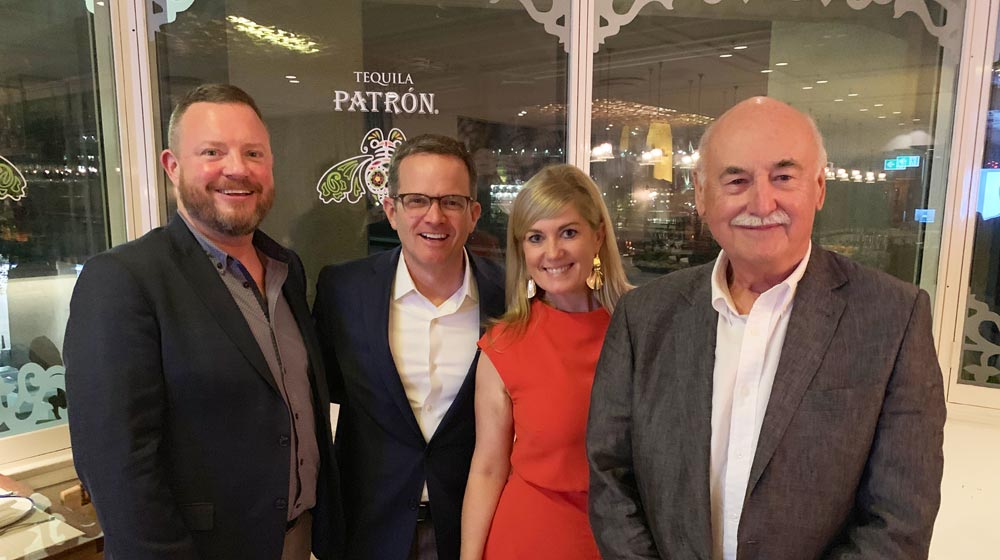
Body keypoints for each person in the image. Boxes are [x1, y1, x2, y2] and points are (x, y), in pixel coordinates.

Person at [587, 96, 946, 560]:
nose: (762, 203)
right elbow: (611, 476)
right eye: (736, 180)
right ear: (701, 194)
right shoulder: (644, 315)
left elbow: (900, 521)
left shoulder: (893, 318)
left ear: (819, 187)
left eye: (783, 177)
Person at [64, 84, 343, 560]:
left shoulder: (287, 269)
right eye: (212, 152)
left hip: (299, 539)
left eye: (253, 153)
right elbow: (116, 464)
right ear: (172, 166)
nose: (237, 168)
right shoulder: (123, 279)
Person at [313, 134, 505, 560]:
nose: (434, 216)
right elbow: (327, 390)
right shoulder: (342, 291)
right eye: (417, 200)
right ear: (391, 211)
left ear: (473, 214)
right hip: (367, 531)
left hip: (474, 532)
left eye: (451, 201)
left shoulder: (509, 299)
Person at [461, 164, 631, 559]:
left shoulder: (639, 328)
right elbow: (487, 468)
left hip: (623, 539)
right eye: (536, 237)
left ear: (598, 236)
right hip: (528, 539)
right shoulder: (504, 345)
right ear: (522, 249)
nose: (552, 252)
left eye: (568, 232)